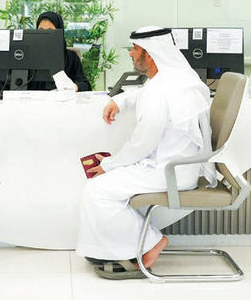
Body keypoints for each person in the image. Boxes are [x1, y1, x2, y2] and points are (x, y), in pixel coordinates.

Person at [76, 26, 217, 276]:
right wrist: (120, 100)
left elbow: (142, 144)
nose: (130, 54)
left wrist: (108, 165)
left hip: (168, 171)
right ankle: (130, 248)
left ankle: (152, 242)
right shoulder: (175, 79)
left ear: (150, 54)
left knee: (96, 190)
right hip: (177, 167)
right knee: (104, 188)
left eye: (135, 49)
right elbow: (143, 95)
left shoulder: (159, 89)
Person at [0, 11, 91, 93]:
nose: (45, 35)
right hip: (31, 105)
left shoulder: (71, 57)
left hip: (60, 106)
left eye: (50, 30)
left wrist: (73, 87)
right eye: (41, 30)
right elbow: (10, 81)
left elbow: (85, 85)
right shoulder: (26, 55)